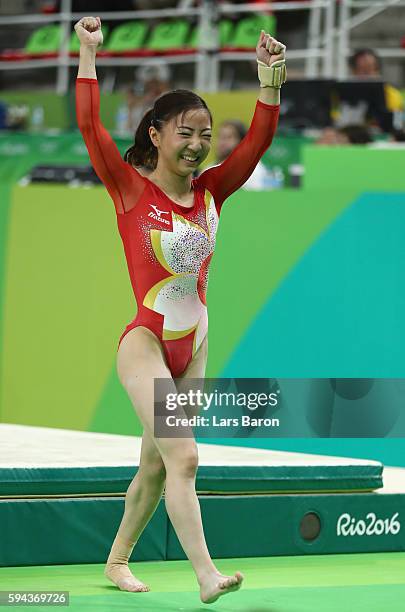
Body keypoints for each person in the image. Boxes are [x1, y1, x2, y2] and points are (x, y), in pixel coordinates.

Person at [75, 16, 286, 604]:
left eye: (206, 134)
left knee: (155, 465)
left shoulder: (213, 190)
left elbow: (258, 143)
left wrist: (270, 77)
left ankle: (117, 561)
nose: (198, 145)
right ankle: (206, 575)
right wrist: (88, 52)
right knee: (184, 455)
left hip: (193, 341)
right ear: (156, 133)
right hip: (145, 341)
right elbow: (90, 126)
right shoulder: (128, 189)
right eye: (185, 133)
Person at [213, 119, 276, 189]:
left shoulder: (253, 170)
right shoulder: (209, 169)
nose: (222, 142)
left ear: (242, 142)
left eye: (228, 137)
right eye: (220, 137)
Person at [349, 48, 404, 114]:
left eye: (370, 68)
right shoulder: (344, 95)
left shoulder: (391, 94)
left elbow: (396, 120)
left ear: (378, 70)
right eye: (362, 69)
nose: (367, 74)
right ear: (354, 71)